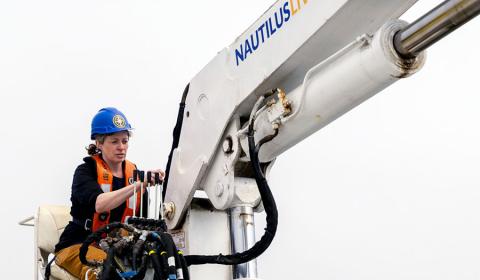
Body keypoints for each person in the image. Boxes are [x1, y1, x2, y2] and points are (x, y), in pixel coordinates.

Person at [54, 107, 164, 280]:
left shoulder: (134, 175)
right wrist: (138, 186)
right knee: (107, 273)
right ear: (99, 143)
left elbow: (147, 223)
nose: (121, 147)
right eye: (114, 142)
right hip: (77, 245)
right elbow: (100, 204)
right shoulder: (85, 171)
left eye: (125, 141)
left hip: (118, 250)